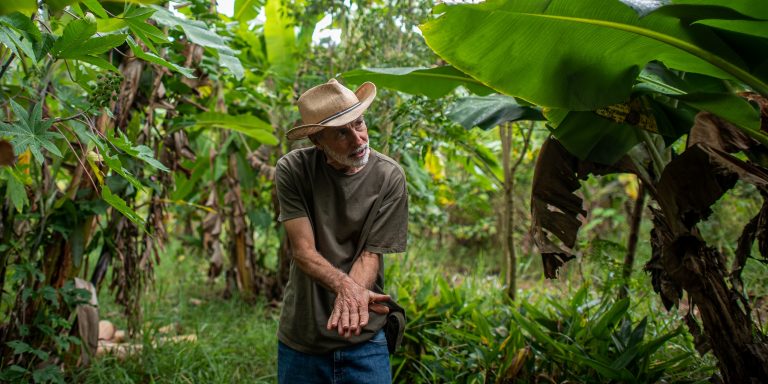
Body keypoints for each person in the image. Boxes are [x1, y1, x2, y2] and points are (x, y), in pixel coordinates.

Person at [275, 78, 408, 383]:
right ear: (317, 142)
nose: (358, 139)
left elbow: (371, 253)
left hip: (365, 336)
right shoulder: (293, 170)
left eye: (359, 124)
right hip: (303, 339)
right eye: (341, 134)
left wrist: (350, 300)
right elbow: (303, 252)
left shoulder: (389, 176)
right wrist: (348, 290)